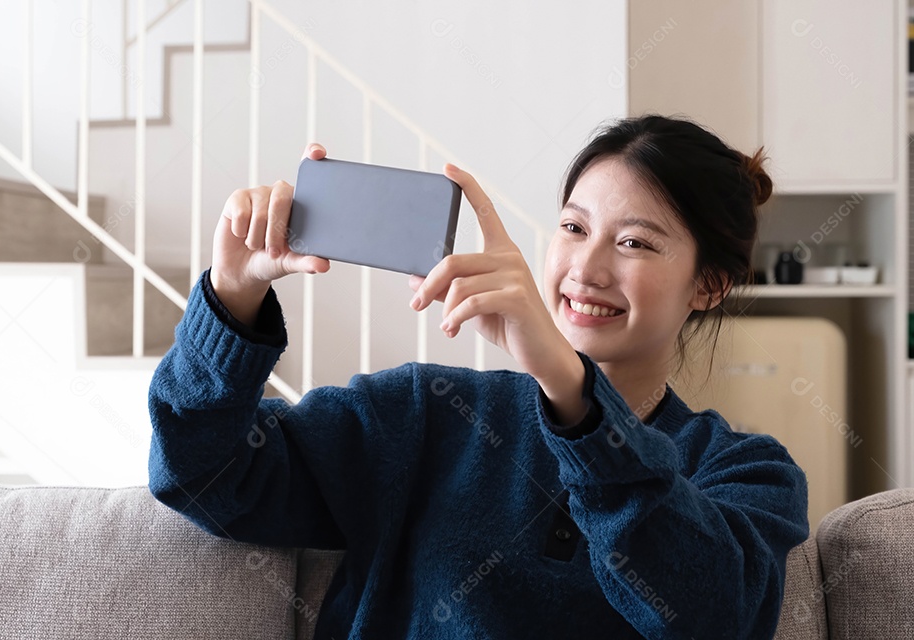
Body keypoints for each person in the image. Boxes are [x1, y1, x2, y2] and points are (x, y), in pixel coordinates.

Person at [147, 115, 810, 639]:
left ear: (710, 285)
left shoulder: (747, 474)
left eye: (634, 242)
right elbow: (201, 476)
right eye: (574, 227)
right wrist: (232, 295)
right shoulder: (419, 416)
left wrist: (571, 390)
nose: (587, 267)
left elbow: (711, 616)